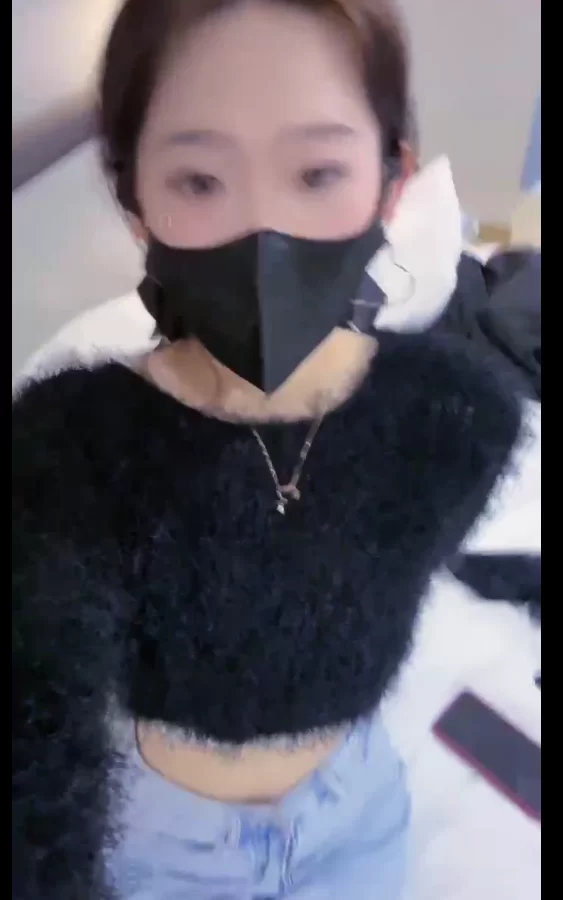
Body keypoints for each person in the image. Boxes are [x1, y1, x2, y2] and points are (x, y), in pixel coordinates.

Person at [12, 1, 522, 898]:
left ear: (390, 183)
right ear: (136, 203)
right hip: (159, 847)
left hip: (358, 814)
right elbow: (41, 742)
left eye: (317, 172)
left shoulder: (458, 417)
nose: (263, 234)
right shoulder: (67, 452)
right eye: (199, 180)